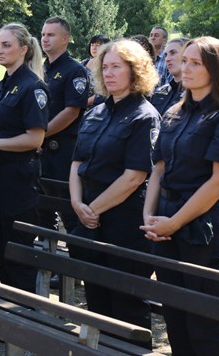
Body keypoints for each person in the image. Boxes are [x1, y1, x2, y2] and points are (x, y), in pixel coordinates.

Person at [142, 37, 219, 356]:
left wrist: (173, 223)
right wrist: (149, 218)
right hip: (165, 229)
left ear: (215, 70)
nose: (185, 67)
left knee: (205, 328)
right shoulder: (174, 113)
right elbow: (158, 169)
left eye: (195, 63)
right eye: (184, 61)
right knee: (175, 322)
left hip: (204, 233)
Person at [68, 40, 160, 338]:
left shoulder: (144, 116)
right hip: (89, 220)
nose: (108, 73)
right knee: (96, 303)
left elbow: (134, 176)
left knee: (126, 306)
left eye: (116, 67)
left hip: (125, 223)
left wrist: (92, 210)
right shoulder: (95, 112)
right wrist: (77, 204)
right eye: (104, 67)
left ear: (135, 71)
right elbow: (77, 162)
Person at [0, 23, 47, 292]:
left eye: (7, 45)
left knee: (18, 253)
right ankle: (9, 313)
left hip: (18, 179)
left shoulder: (32, 87)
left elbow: (35, 138)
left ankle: (24, 316)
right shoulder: (1, 85)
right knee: (2, 250)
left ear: (24, 49)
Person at [39, 16, 88, 233]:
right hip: (41, 151)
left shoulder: (74, 70)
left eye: (51, 35)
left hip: (63, 150)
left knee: (68, 211)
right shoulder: (42, 69)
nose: (44, 39)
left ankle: (74, 264)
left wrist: (40, 135)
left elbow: (71, 112)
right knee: (42, 211)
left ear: (65, 39)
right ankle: (47, 264)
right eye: (42, 35)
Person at [151, 37, 188, 117]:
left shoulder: (196, 94)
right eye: (165, 55)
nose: (167, 59)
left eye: (173, 53)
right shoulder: (158, 92)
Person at [82, 34, 110, 108]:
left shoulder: (108, 66)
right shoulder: (83, 63)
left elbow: (105, 92)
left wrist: (85, 102)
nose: (94, 48)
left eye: (98, 45)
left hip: (98, 107)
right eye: (92, 45)